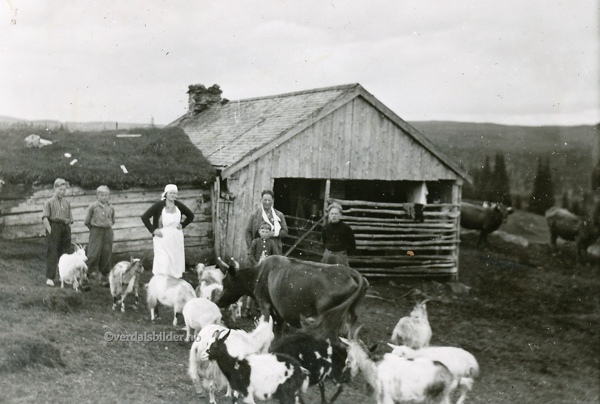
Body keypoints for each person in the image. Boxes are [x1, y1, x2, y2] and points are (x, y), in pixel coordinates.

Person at [141, 184, 194, 278]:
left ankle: (174, 280)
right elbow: (144, 217)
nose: (172, 195)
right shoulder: (159, 205)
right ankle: (161, 280)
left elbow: (191, 216)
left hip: (176, 237)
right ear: (166, 194)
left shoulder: (179, 205)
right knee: (163, 260)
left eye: (174, 193)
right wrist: (153, 230)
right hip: (162, 237)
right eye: (170, 193)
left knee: (175, 260)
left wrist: (182, 224)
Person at [42, 178, 73, 286]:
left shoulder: (67, 202)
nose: (62, 192)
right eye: (60, 189)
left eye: (64, 190)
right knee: (53, 252)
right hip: (54, 226)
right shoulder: (49, 202)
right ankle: (50, 278)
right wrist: (51, 231)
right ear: (54, 188)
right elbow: (45, 218)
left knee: (65, 253)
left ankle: (63, 276)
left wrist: (67, 225)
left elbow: (70, 219)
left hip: (65, 228)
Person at [84, 185, 115, 287]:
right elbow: (87, 221)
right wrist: (94, 230)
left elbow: (112, 220)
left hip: (107, 232)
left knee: (106, 254)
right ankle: (86, 276)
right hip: (96, 231)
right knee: (93, 254)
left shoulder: (111, 207)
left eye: (106, 195)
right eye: (102, 195)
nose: (104, 197)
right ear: (97, 196)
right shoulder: (93, 207)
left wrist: (106, 228)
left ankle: (104, 278)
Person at [245, 189, 288, 254]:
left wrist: (273, 233)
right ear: (261, 200)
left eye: (269, 200)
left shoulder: (279, 215)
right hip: (258, 249)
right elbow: (248, 232)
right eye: (265, 200)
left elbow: (285, 231)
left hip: (274, 250)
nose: (267, 202)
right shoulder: (254, 215)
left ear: (273, 200)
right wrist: (251, 247)